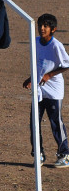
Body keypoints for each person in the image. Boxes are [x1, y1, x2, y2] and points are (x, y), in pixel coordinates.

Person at [22, 13, 69, 167]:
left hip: (54, 91)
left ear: (53, 29)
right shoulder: (35, 42)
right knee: (34, 122)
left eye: (45, 26)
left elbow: (67, 64)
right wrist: (31, 78)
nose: (42, 28)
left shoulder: (56, 45)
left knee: (55, 122)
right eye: (40, 25)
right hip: (39, 90)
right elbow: (39, 64)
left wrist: (50, 75)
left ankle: (65, 155)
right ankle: (38, 154)